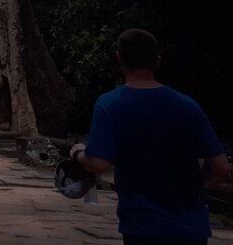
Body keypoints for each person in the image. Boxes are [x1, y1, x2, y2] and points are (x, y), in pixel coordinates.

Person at [72, 28, 230, 244]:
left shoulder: (110, 104)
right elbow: (221, 165)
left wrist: (79, 154)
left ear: (119, 59)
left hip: (143, 225)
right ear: (157, 61)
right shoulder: (187, 106)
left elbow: (99, 163)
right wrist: (197, 178)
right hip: (191, 227)